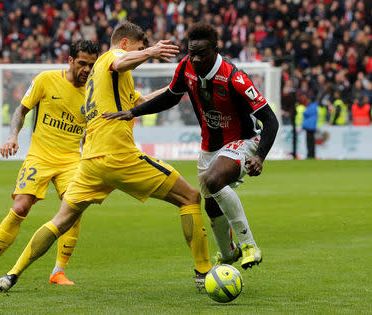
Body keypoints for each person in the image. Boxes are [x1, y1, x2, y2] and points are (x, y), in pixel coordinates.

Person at [0, 22, 212, 292]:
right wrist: (150, 52)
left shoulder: (105, 79)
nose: (140, 55)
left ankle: (10, 276)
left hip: (90, 163)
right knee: (190, 198)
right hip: (118, 155)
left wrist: (180, 84)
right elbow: (120, 60)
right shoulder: (111, 58)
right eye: (138, 48)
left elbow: (141, 104)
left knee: (61, 219)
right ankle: (203, 273)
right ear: (126, 44)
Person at [103, 22, 279, 270]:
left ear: (215, 50)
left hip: (243, 140)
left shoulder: (235, 78)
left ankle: (249, 245)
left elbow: (270, 120)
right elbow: (170, 97)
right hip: (209, 145)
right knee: (210, 201)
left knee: (213, 180)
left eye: (201, 53)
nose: (194, 58)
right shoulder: (185, 67)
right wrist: (134, 112)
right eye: (191, 52)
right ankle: (228, 254)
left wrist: (260, 156)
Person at [0, 40, 99, 286]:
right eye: (82, 63)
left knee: (74, 208)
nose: (87, 69)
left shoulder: (94, 91)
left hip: (71, 160)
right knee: (20, 208)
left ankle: (58, 271)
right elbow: (21, 110)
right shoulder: (46, 80)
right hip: (40, 155)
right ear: (70, 60)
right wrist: (12, 136)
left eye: (91, 65)